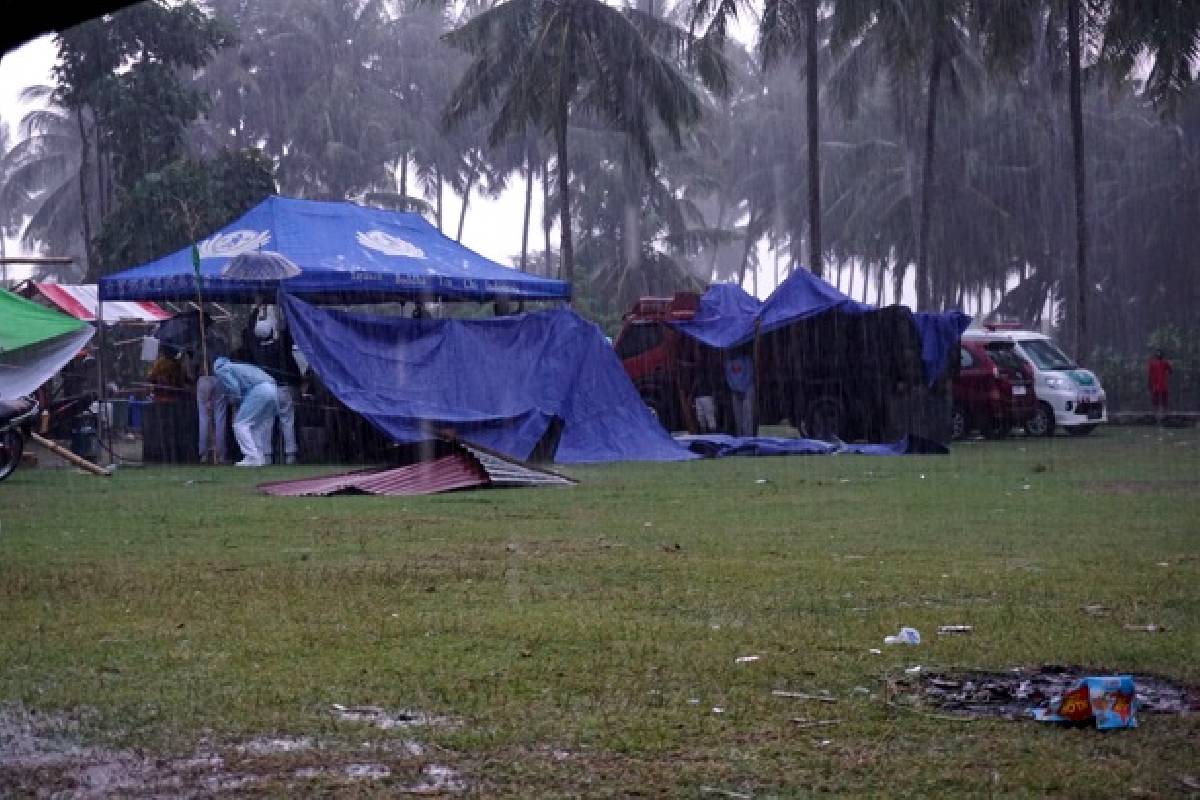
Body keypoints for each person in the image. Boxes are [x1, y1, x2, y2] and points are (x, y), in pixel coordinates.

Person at [246, 303, 301, 464]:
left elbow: (250, 333)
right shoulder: (281, 346)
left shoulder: (257, 349)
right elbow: (286, 332)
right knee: (287, 421)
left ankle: (267, 455)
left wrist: (256, 309)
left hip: (266, 390)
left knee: (267, 423)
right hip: (283, 387)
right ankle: (290, 454)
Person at [213, 356, 278, 467]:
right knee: (255, 427)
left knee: (240, 424)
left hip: (259, 391)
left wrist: (236, 401)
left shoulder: (222, 369)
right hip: (274, 389)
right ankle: (259, 457)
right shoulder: (239, 366)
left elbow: (234, 388)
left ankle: (252, 456)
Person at [193, 320, 230, 463]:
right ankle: (220, 454)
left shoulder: (200, 344)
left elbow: (194, 365)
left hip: (204, 378)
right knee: (220, 416)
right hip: (219, 377)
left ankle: (203, 453)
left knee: (203, 417)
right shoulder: (221, 343)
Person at [724, 347, 755, 437]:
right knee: (737, 415)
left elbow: (749, 375)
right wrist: (735, 390)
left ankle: (748, 437)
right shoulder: (728, 362)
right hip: (735, 391)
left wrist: (743, 390)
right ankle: (739, 436)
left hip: (747, 390)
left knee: (747, 415)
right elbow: (728, 378)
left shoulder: (746, 360)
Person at [1148, 349, 1173, 417]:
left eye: (1160, 354)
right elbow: (1150, 374)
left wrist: (1170, 365)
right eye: (1158, 354)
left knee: (1163, 399)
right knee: (1156, 399)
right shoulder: (1153, 363)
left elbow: (1171, 371)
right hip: (1156, 384)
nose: (1159, 355)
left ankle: (1164, 413)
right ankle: (1156, 413)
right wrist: (1149, 383)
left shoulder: (1164, 362)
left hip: (1162, 384)